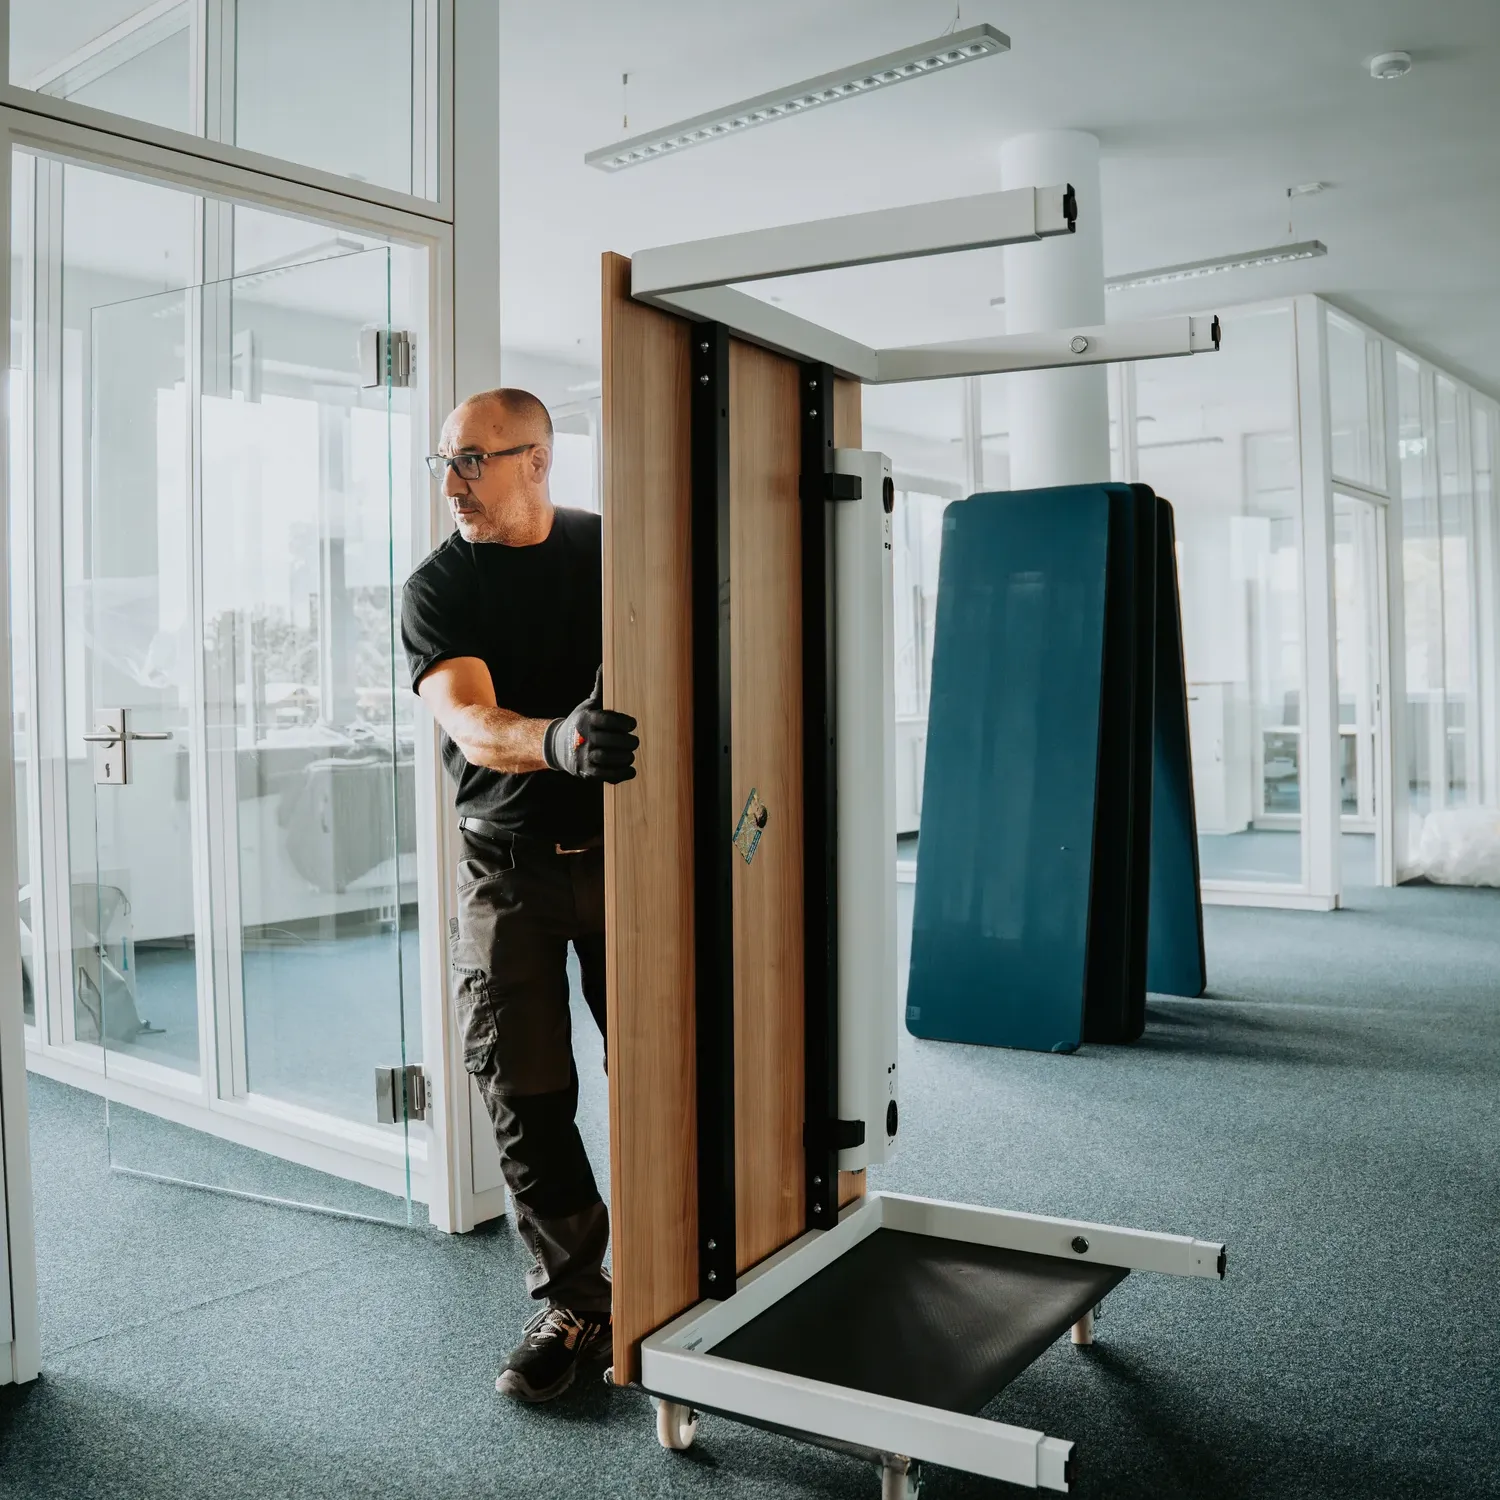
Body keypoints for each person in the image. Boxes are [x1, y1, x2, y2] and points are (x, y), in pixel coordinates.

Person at [400, 388, 638, 1403]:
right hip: (507, 868)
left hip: (635, 859)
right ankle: (578, 1300)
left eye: (471, 460)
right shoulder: (439, 585)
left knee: (672, 1070)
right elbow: (470, 719)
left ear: (536, 460)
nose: (453, 482)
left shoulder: (618, 551)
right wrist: (557, 741)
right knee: (526, 1091)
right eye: (446, 462)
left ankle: (693, 1268)